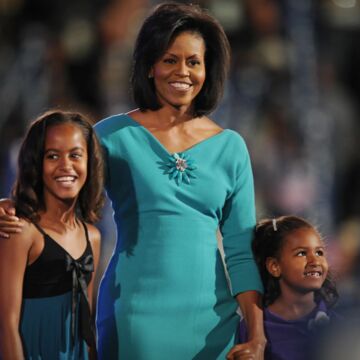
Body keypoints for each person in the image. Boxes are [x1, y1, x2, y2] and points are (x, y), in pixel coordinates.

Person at [0, 3, 266, 359]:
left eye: (194, 61)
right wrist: (12, 205)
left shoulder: (231, 147)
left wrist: (256, 332)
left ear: (208, 68)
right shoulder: (112, 136)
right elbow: (59, 195)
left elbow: (241, 248)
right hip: (136, 312)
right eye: (170, 60)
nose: (182, 71)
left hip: (214, 321)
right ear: (150, 66)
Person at [0, 110, 104, 359]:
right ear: (36, 162)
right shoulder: (20, 231)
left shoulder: (93, 237)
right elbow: (6, 324)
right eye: (52, 156)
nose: (65, 166)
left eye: (75, 155)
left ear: (90, 162)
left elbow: (86, 319)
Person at [235, 215, 339, 360]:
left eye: (319, 252)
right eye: (302, 253)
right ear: (274, 266)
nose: (315, 261)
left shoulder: (340, 324)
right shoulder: (252, 329)